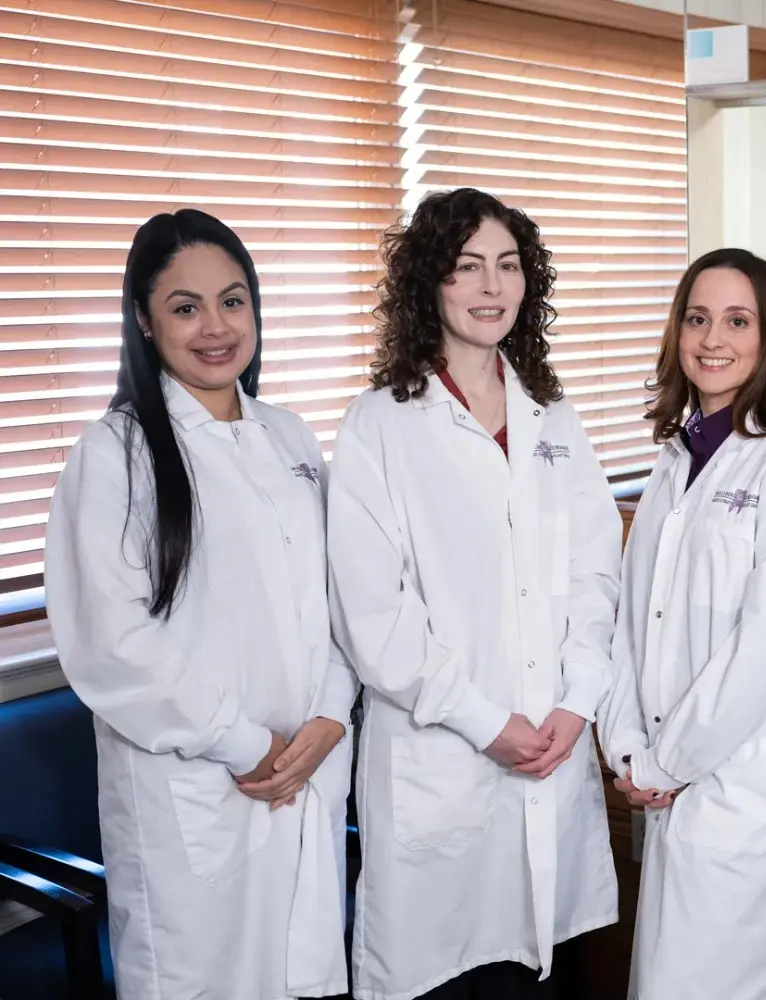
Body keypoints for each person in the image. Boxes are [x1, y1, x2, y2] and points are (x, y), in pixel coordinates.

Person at [46, 209, 355, 999]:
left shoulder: (290, 439)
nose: (215, 327)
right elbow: (114, 646)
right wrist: (244, 743)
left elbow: (336, 599)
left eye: (234, 300)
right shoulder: (113, 455)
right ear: (145, 323)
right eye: (185, 308)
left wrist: (329, 716)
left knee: (302, 975)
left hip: (303, 772)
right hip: (199, 793)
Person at [326, 187, 621, 1000]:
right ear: (430, 284)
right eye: (466, 267)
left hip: (552, 752)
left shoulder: (555, 420)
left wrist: (578, 702)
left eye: (507, 266)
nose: (491, 287)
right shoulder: (378, 425)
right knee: (447, 976)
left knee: (536, 968)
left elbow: (597, 573)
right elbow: (373, 618)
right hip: (442, 766)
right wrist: (487, 723)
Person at [599, 248, 766, 1000]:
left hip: (752, 792)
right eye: (697, 318)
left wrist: (663, 762)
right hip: (670, 782)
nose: (714, 338)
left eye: (737, 321)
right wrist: (624, 746)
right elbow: (631, 623)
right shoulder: (677, 461)